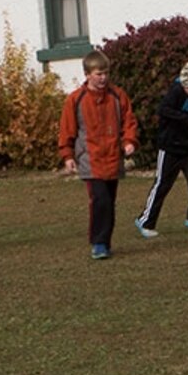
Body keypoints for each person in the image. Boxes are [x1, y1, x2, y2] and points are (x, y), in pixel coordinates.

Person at [56, 57, 135, 260]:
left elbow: (129, 120)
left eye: (106, 73)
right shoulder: (76, 99)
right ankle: (98, 243)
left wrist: (129, 141)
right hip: (90, 158)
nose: (103, 78)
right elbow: (67, 129)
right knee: (100, 199)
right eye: (99, 74)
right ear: (88, 75)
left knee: (110, 201)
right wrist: (67, 155)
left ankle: (105, 241)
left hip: (113, 156)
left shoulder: (118, 96)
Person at [135, 60, 188, 238]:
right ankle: (145, 221)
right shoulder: (174, 93)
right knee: (162, 185)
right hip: (170, 148)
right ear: (185, 83)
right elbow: (164, 110)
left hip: (187, 148)